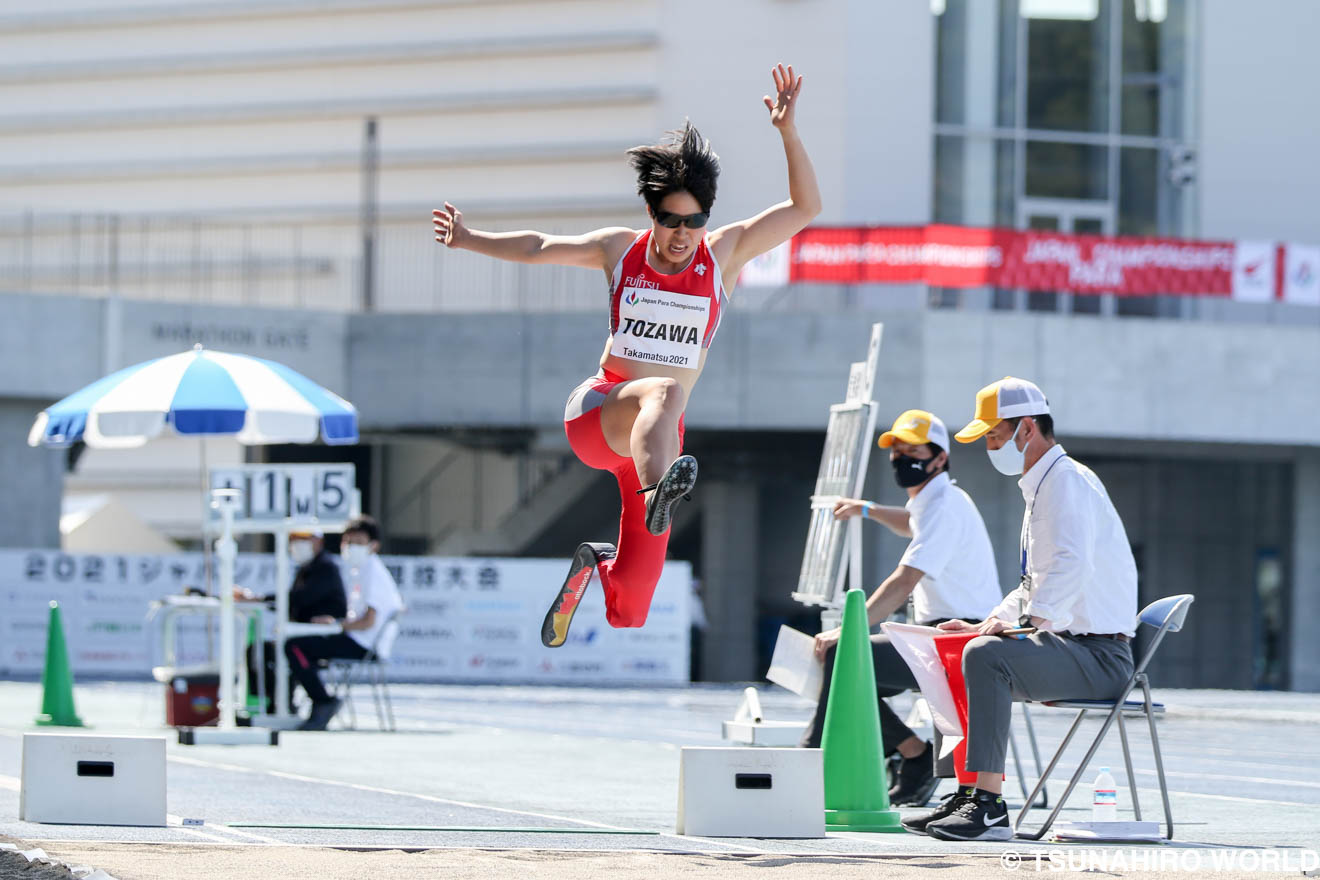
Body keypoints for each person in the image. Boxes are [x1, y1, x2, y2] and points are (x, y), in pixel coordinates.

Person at [433, 64, 821, 648]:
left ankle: (602, 565)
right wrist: (469, 238)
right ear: (653, 216)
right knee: (664, 391)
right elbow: (540, 246)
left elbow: (804, 207)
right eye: (670, 221)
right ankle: (655, 498)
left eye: (693, 221)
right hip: (600, 414)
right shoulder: (621, 249)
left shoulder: (726, 255)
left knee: (634, 607)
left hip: (658, 444)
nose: (681, 235)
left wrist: (788, 132)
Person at [904, 377, 1137, 841]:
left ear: (1026, 429)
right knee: (955, 646)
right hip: (1070, 646)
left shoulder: (1065, 481)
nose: (990, 446)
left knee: (985, 656)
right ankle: (965, 792)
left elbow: (1072, 564)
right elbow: (1034, 582)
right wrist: (993, 620)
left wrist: (1029, 624)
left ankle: (988, 807)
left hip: (1100, 657)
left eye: (994, 435)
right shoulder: (1045, 483)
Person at [800, 410, 1001, 807]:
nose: (901, 458)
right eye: (896, 450)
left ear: (940, 458)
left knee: (844, 658)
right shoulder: (938, 501)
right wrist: (867, 508)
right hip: (941, 635)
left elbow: (904, 580)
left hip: (958, 638)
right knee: (849, 677)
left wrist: (849, 629)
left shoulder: (944, 506)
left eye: (913, 450)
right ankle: (912, 752)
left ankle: (811, 759)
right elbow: (910, 521)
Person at [285, 516, 404, 731]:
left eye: (358, 542)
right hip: (355, 638)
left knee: (295, 647)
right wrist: (335, 623)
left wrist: (337, 625)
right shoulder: (360, 570)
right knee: (298, 644)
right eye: (347, 542)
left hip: (364, 645)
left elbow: (368, 622)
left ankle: (323, 701)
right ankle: (307, 701)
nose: (351, 547)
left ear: (373, 545)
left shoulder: (375, 573)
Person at [246, 528, 347, 714]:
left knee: (293, 647)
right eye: (293, 539)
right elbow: (293, 603)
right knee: (260, 650)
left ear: (318, 541)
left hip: (326, 636)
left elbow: (299, 599)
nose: (297, 544)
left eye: (303, 539)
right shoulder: (306, 568)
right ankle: (277, 703)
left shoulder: (325, 567)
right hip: (306, 632)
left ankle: (323, 700)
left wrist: (261, 599)